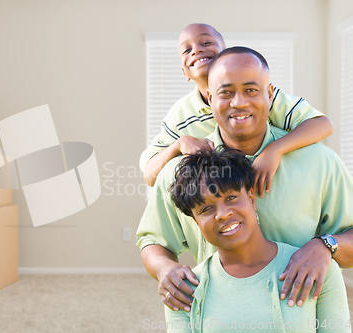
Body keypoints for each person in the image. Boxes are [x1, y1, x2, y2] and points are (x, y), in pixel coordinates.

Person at [136, 47, 353, 315]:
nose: (239, 102)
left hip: (300, 317)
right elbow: (153, 240)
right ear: (209, 96)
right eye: (226, 92)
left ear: (270, 94)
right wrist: (164, 268)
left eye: (251, 90)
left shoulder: (320, 162)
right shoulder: (180, 171)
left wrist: (326, 246)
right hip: (219, 317)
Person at [164, 148, 350, 333]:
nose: (223, 214)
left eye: (231, 197)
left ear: (251, 198)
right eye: (205, 209)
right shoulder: (183, 290)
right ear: (196, 222)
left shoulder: (316, 268)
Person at [140, 23, 334, 199]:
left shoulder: (262, 97)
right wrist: (178, 145)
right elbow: (150, 175)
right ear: (185, 72)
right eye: (187, 50)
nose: (197, 50)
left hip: (274, 190)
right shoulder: (181, 115)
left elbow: (323, 125)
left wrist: (274, 150)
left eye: (206, 42)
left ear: (226, 53)